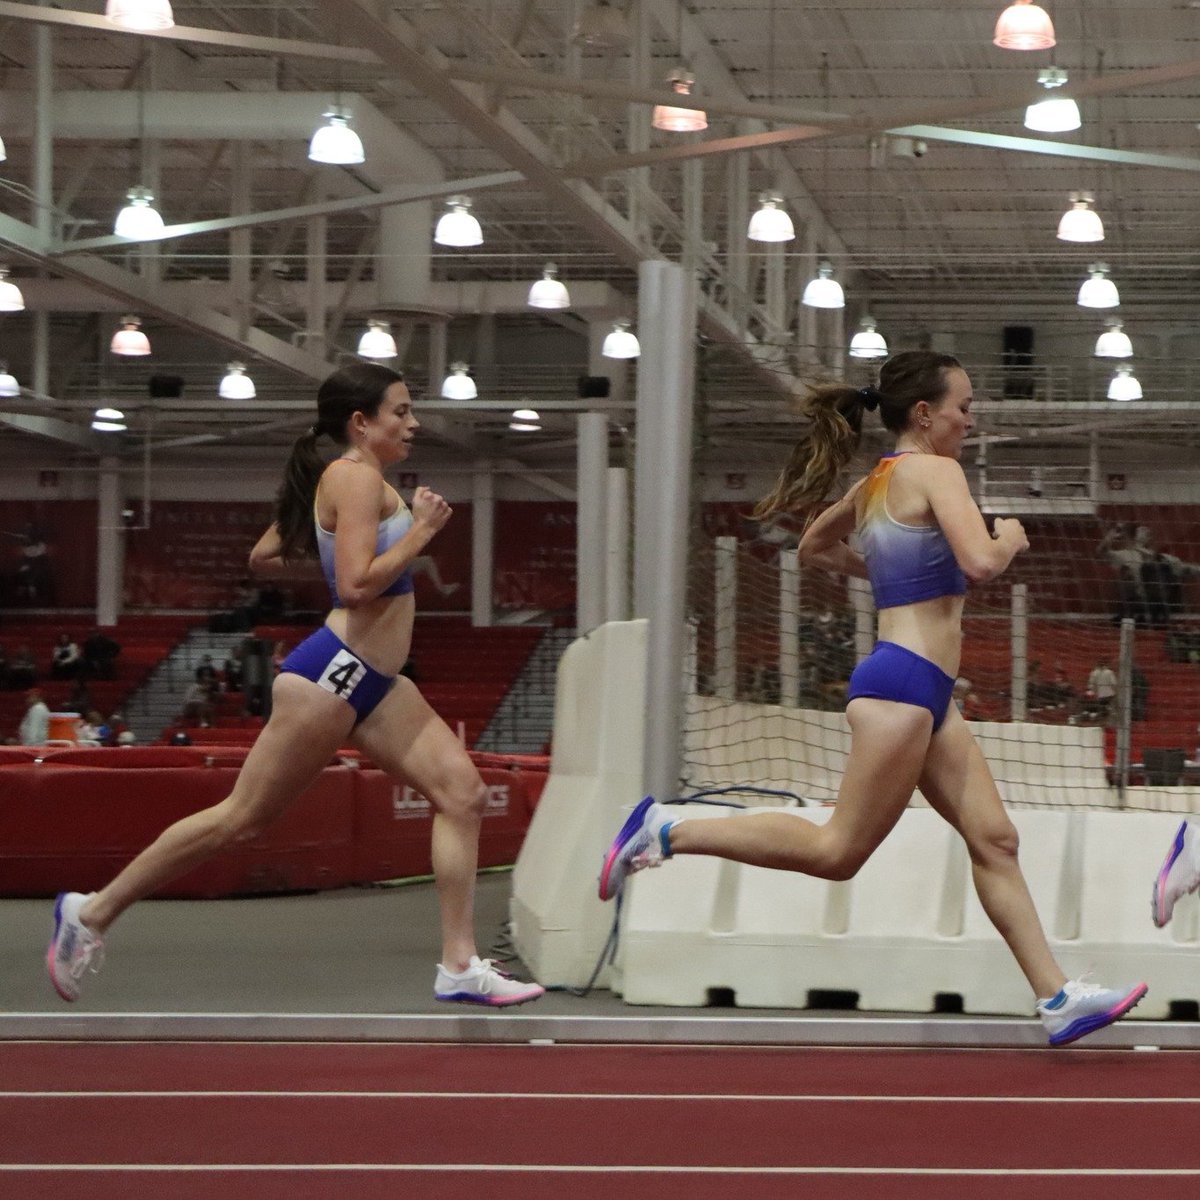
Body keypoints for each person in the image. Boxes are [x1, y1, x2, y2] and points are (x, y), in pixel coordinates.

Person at [598, 350, 1146, 1048]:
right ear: (925, 413)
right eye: (964, 406)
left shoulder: (879, 481)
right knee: (837, 851)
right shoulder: (936, 471)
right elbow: (980, 563)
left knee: (994, 839)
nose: (970, 420)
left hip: (924, 692)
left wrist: (889, 575)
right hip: (901, 688)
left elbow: (813, 549)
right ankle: (664, 832)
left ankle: (1059, 997)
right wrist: (1007, 539)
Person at [46, 362, 544, 1009]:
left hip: (375, 683)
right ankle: (91, 912)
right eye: (400, 410)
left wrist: (338, 537)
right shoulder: (352, 476)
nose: (413, 422)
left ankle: (458, 964)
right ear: (361, 423)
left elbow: (264, 554)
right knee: (242, 819)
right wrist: (419, 532)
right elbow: (356, 586)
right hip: (332, 675)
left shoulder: (351, 479)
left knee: (464, 795)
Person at [1084, 658, 1117, 724]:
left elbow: (1091, 685)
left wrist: (1093, 692)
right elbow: (1114, 683)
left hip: (1100, 695)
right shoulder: (1109, 672)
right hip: (1110, 694)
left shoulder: (1094, 673)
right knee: (1110, 708)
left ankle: (1100, 721)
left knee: (1101, 709)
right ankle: (1111, 720)